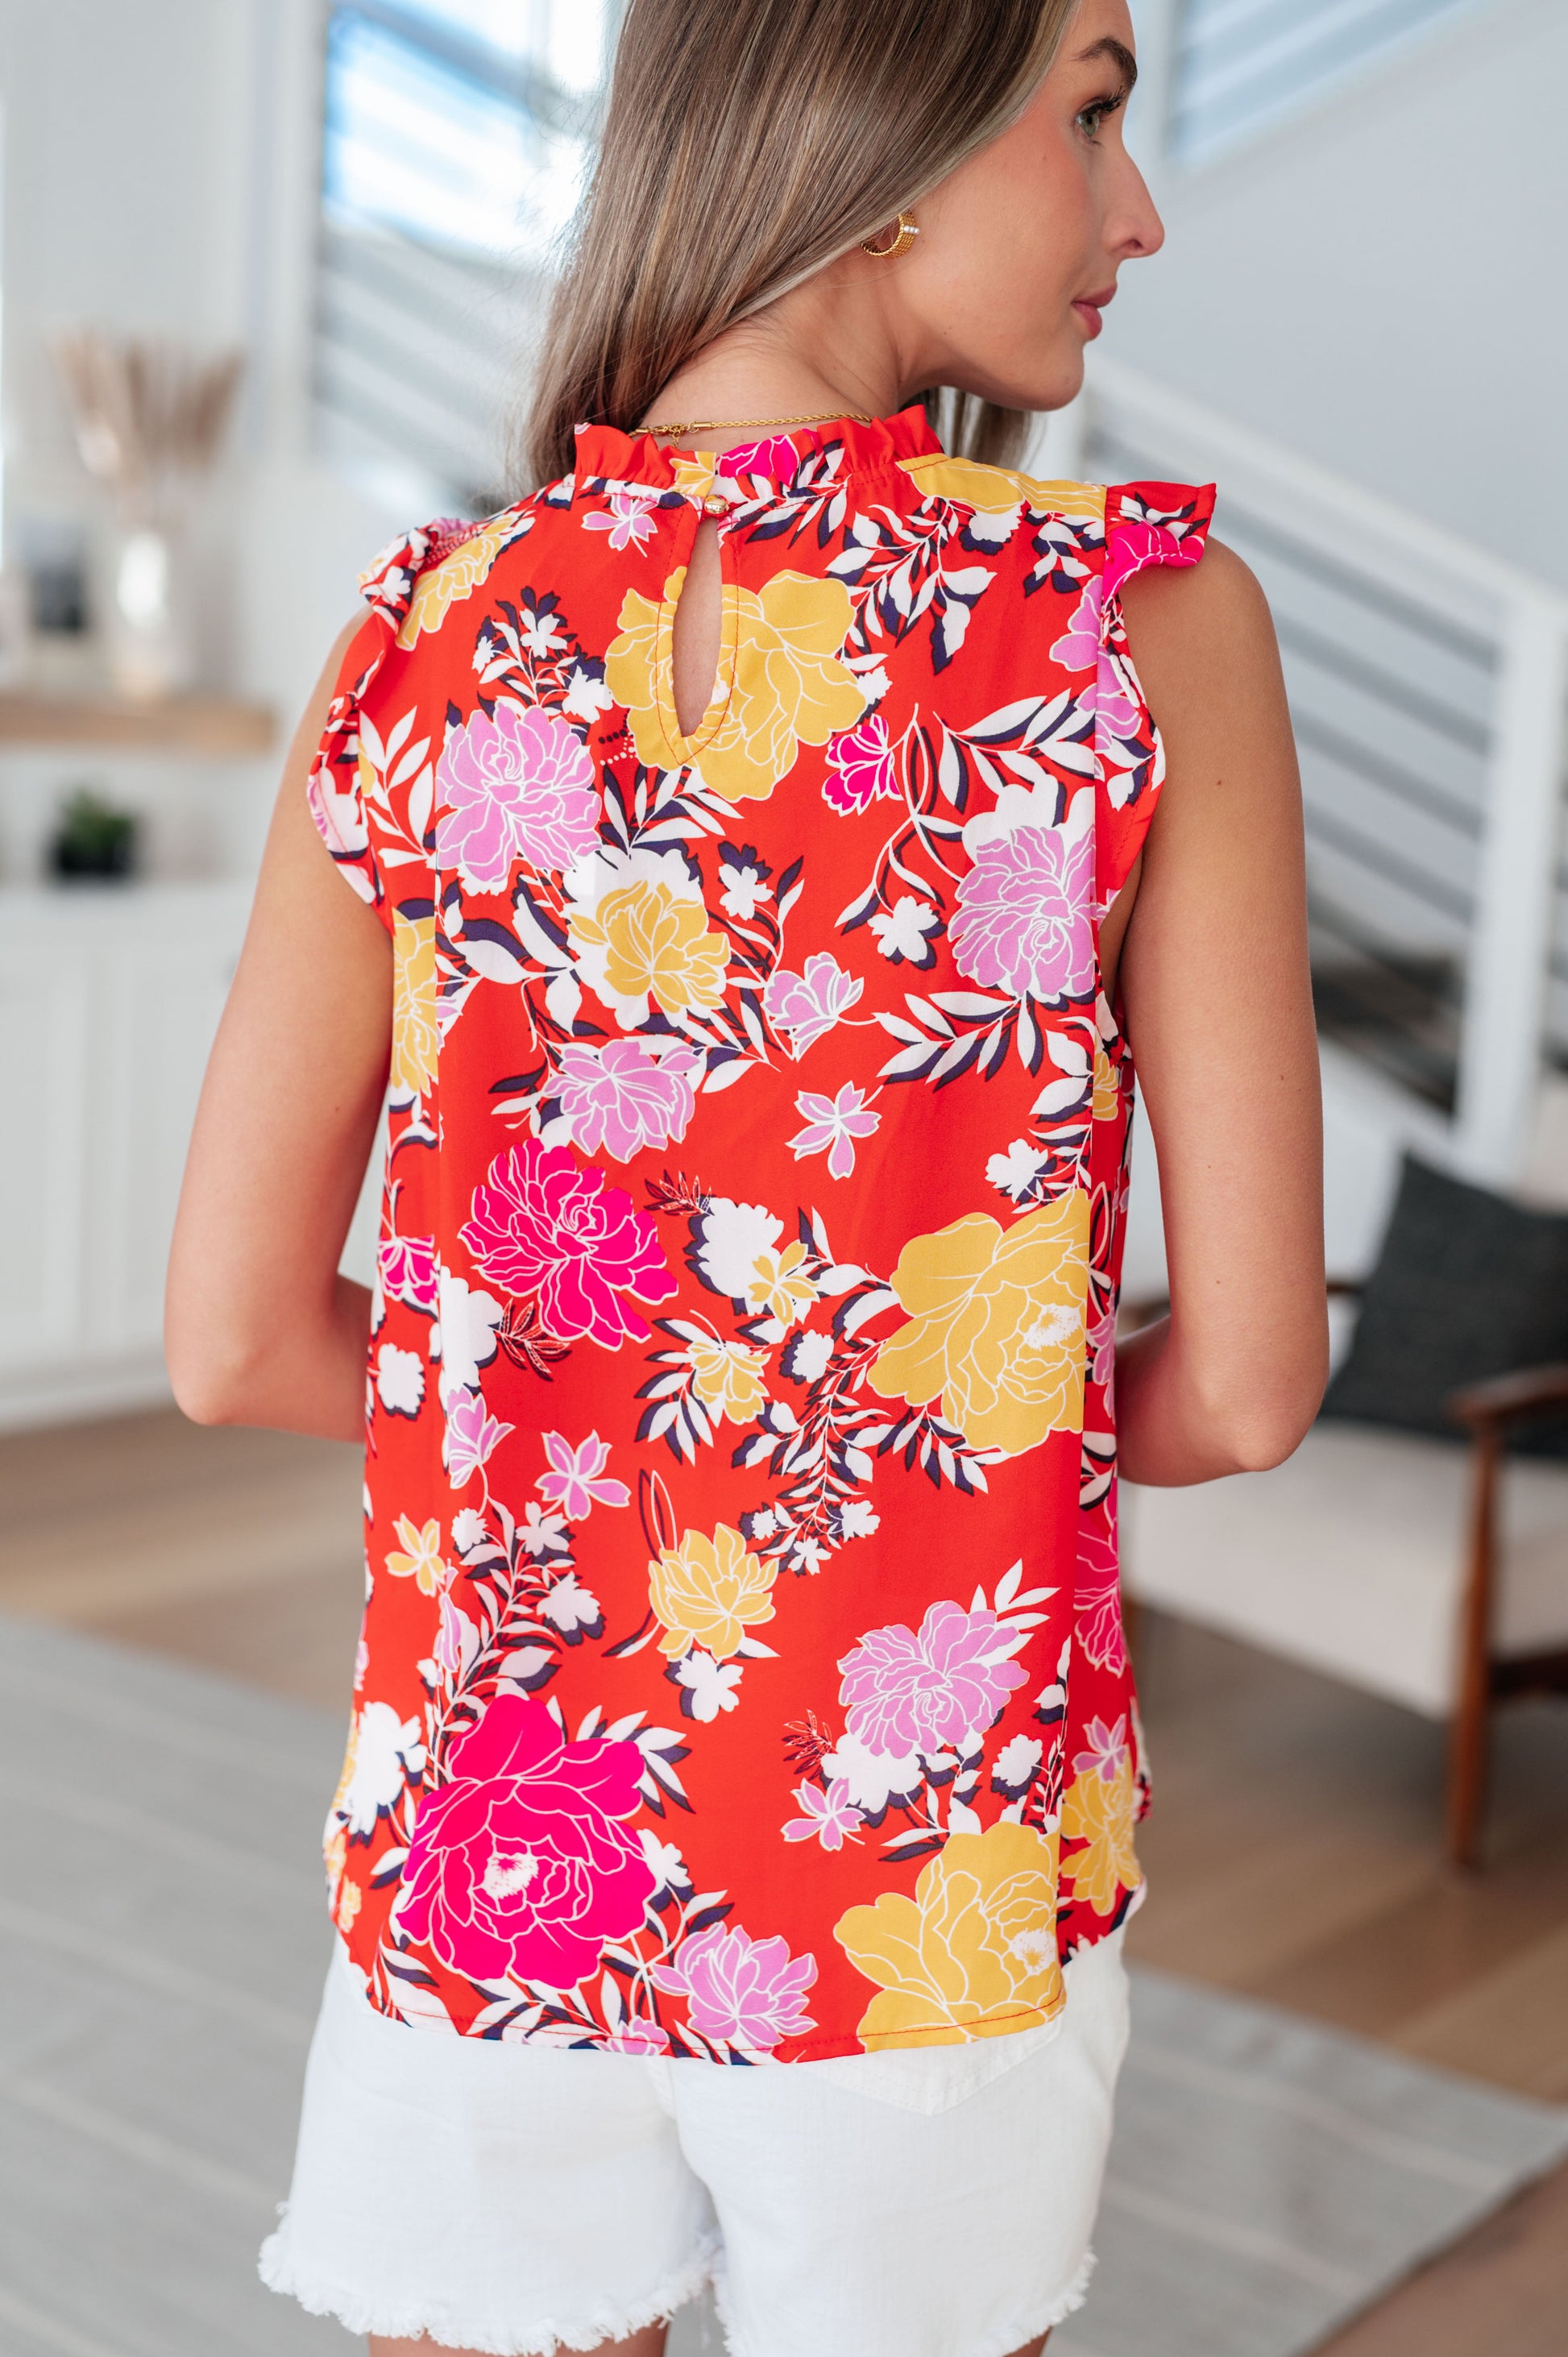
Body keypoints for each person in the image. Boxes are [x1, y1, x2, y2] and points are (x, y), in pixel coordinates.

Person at [167, 0, 1326, 2350]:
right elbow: (1250, 1385)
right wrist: (916, 1448)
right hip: (922, 1870)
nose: (1137, 212)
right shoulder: (1134, 630)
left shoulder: (422, 635)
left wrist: (587, 1439)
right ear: (886, 120)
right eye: (1097, 110)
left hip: (488, 1848)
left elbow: (231, 1343)